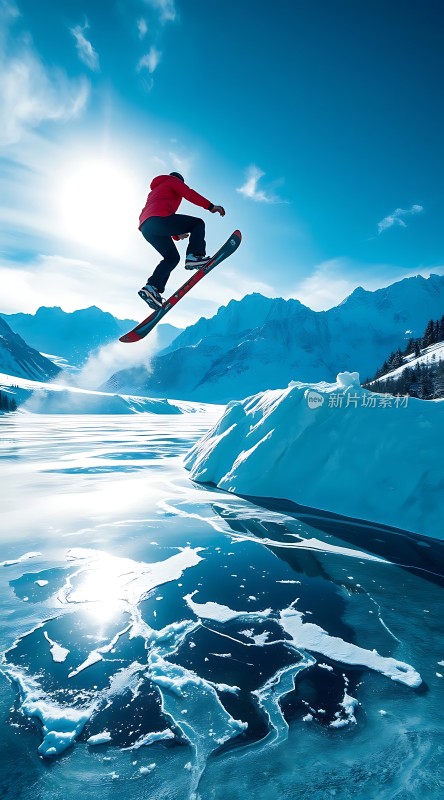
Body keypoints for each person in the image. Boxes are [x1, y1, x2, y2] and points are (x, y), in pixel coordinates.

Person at [138, 171, 225, 309]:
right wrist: (210, 206)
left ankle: (152, 287)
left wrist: (176, 235)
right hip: (158, 219)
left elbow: (163, 215)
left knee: (172, 257)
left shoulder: (155, 191)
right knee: (197, 224)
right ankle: (194, 256)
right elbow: (189, 193)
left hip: (146, 227)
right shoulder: (172, 181)